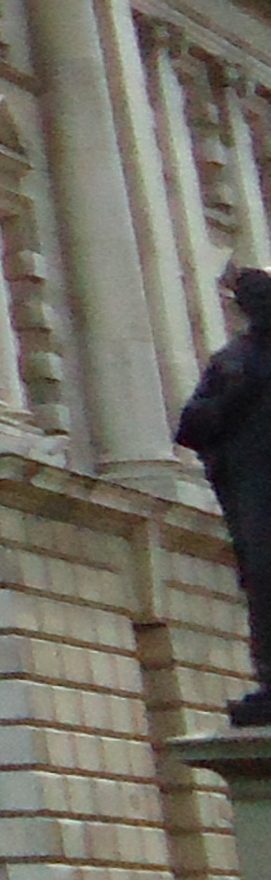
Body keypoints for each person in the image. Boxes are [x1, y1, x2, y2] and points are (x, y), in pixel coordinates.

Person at [171, 266, 271, 725]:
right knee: (264, 584)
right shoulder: (233, 362)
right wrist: (236, 397)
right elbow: (191, 427)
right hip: (253, 492)